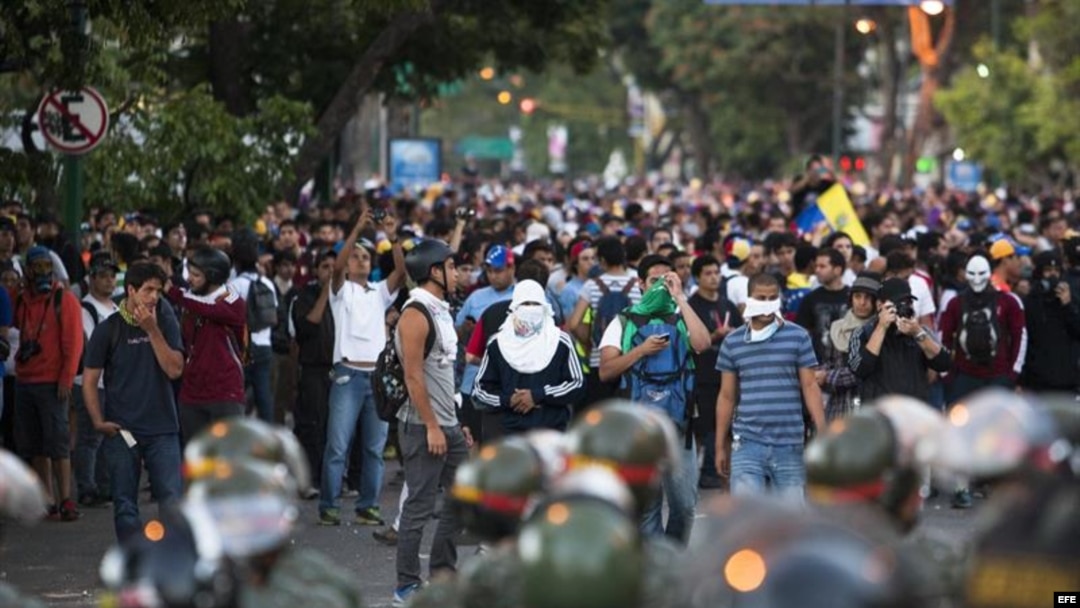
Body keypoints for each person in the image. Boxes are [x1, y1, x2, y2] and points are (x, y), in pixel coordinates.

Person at [597, 254, 710, 541]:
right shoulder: (623, 321)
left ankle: (671, 554)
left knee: (685, 505)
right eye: (654, 280)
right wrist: (640, 351)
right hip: (638, 430)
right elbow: (606, 371)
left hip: (678, 425)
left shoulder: (681, 315)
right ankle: (656, 565)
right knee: (646, 509)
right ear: (640, 283)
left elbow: (703, 344)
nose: (660, 286)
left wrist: (681, 298)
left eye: (667, 280)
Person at [83, 262, 185, 542]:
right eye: (148, 290)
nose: (154, 297)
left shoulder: (165, 321)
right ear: (130, 290)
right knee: (125, 505)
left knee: (172, 500)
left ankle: (170, 560)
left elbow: (175, 369)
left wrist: (152, 330)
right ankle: (134, 562)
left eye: (158, 291)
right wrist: (97, 421)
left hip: (163, 428)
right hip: (122, 431)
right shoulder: (108, 329)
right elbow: (90, 380)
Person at [393, 239, 470, 607]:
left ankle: (443, 572)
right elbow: (413, 377)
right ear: (434, 271)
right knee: (419, 508)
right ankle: (406, 587)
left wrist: (455, 421)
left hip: (448, 423)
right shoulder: (415, 313)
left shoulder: (440, 308)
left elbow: (442, 373)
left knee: (465, 497)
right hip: (423, 426)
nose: (457, 273)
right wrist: (432, 426)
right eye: (452, 267)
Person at [318, 212, 405, 527]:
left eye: (365, 257)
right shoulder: (340, 291)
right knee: (338, 446)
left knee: (374, 449)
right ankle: (328, 506)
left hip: (376, 379)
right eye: (355, 255)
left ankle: (368, 506)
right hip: (347, 375)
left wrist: (392, 237)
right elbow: (338, 267)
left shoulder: (379, 292)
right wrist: (356, 229)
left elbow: (402, 271)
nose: (359, 260)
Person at [715, 272, 825, 501]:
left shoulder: (798, 336)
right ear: (748, 299)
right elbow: (726, 396)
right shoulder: (733, 342)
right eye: (760, 298)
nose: (766, 304)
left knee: (791, 520)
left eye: (772, 298)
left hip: (790, 442)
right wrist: (719, 446)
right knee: (746, 517)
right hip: (747, 442)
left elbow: (810, 385)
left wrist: (823, 431)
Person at [12, 245, 84, 521]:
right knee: (35, 446)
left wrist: (66, 378)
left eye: (46, 266)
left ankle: (65, 497)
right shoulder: (21, 299)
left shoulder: (63, 300)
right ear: (28, 270)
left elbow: (73, 343)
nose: (42, 272)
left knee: (58, 443)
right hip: (25, 381)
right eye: (36, 267)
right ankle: (47, 499)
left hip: (52, 382)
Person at [472, 279, 585, 438]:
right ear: (514, 308)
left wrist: (538, 396)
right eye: (525, 304)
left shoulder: (560, 341)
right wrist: (509, 400)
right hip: (511, 435)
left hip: (552, 432)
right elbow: (480, 390)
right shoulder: (498, 343)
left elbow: (577, 383)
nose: (530, 310)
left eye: (535, 304)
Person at [166, 246, 247, 444]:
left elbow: (209, 310)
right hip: (192, 393)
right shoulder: (190, 299)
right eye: (189, 273)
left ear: (212, 276)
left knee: (228, 460)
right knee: (196, 458)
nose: (190, 279)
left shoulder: (232, 300)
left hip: (225, 392)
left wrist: (174, 293)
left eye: (196, 275)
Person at [687, 255, 743, 489]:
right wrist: (714, 336)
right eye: (708, 273)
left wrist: (732, 335)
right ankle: (698, 475)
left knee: (728, 427)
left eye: (716, 273)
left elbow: (742, 332)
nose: (713, 278)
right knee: (703, 428)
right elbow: (690, 342)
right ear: (698, 277)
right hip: (703, 375)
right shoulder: (692, 305)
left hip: (728, 375)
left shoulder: (727, 304)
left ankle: (724, 476)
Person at [847, 278, 951, 403]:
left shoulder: (919, 332)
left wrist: (918, 334)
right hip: (879, 414)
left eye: (908, 302)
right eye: (898, 303)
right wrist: (881, 327)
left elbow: (944, 363)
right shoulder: (863, 332)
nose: (904, 307)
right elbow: (859, 369)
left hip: (913, 412)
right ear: (880, 305)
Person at [567, 236, 643, 406]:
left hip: (599, 360)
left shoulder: (591, 286)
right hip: (630, 360)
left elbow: (573, 323)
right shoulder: (637, 285)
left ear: (601, 260)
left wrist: (588, 344)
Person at [72, 252, 120, 508]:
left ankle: (104, 485)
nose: (109, 281)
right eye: (103, 276)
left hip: (110, 383)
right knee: (90, 437)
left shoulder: (116, 308)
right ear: (91, 278)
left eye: (113, 276)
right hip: (89, 382)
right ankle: (87, 487)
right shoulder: (85, 308)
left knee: (106, 436)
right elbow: (92, 345)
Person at [289, 248, 336, 497]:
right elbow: (307, 326)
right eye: (325, 266)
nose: (330, 271)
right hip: (313, 369)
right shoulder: (304, 295)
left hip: (339, 370)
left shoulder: (348, 296)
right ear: (316, 270)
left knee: (335, 428)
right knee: (312, 426)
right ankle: (310, 480)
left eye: (334, 266)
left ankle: (335, 480)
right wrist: (326, 291)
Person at [822, 272, 880, 420]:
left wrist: (827, 377)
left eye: (868, 298)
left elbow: (865, 372)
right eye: (858, 296)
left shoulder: (880, 330)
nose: (862, 303)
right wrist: (821, 376)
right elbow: (827, 364)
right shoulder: (837, 329)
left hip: (871, 408)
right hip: (839, 407)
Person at [1021, 252, 1080, 392]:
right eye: (1047, 270)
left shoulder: (1071, 300)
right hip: (1037, 381)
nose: (1053, 275)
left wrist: (1068, 306)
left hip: (1066, 381)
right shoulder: (1030, 302)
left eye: (1056, 271)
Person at [795, 248, 850, 363]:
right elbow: (801, 334)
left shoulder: (852, 297)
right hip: (818, 365)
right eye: (816, 266)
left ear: (837, 270)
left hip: (848, 366)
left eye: (822, 266)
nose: (817, 270)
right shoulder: (810, 299)